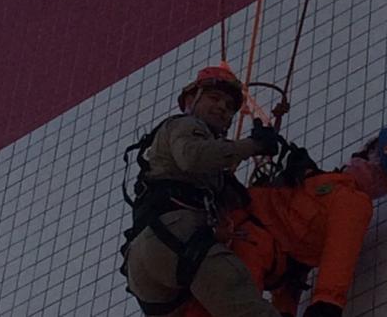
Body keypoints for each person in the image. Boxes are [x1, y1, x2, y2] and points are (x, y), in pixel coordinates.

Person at [184, 125, 387, 317]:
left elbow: (336, 258)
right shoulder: (328, 184)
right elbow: (299, 259)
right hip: (234, 238)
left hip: (240, 241)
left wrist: (325, 305)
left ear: (371, 148)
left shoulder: (349, 200)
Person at [120, 65, 284, 317]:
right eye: (214, 98)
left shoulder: (204, 172)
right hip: (175, 239)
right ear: (190, 100)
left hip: (147, 265)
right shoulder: (185, 125)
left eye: (229, 106)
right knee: (245, 303)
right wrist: (255, 144)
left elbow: (223, 185)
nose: (222, 108)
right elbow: (194, 157)